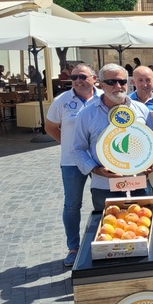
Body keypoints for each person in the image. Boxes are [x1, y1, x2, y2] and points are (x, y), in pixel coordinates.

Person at [70, 63, 153, 211]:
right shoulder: (87, 114)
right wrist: (96, 170)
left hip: (138, 183)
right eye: (111, 82)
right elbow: (77, 149)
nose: (118, 86)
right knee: (109, 230)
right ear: (101, 84)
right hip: (105, 187)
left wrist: (151, 160)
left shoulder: (141, 109)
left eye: (122, 82)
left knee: (144, 228)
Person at [45, 64, 102, 267]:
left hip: (100, 161)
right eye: (74, 76)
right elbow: (50, 127)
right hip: (71, 163)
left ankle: (102, 243)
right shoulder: (62, 101)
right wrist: (68, 144)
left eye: (83, 76)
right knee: (72, 205)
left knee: (102, 203)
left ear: (94, 78)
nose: (78, 80)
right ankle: (73, 248)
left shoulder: (103, 97)